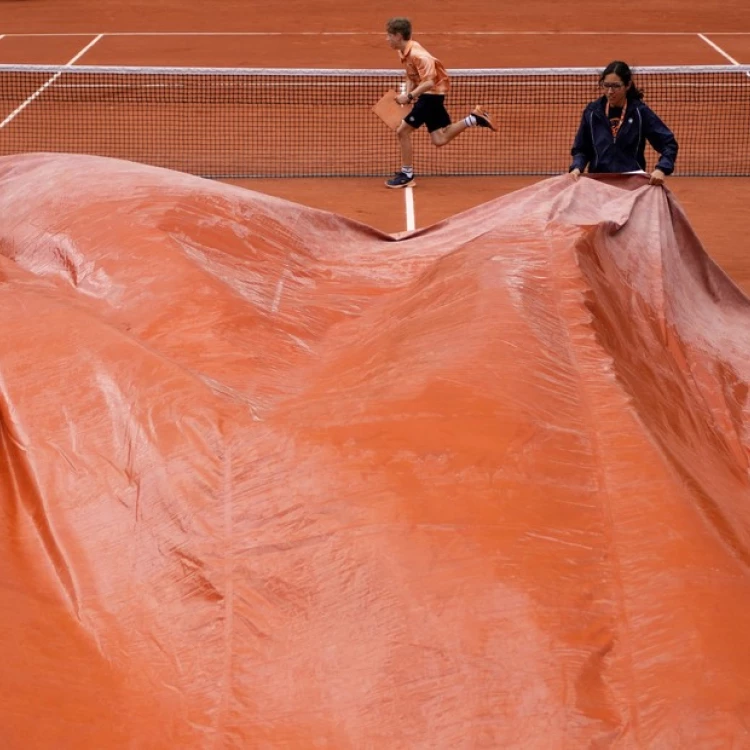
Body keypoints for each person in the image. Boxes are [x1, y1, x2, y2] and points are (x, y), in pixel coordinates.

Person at [384, 17, 497, 189]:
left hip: (431, 95)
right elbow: (410, 75)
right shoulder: (403, 52)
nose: (387, 39)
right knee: (439, 138)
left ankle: (407, 174)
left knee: (402, 132)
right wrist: (407, 93)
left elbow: (429, 82)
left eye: (389, 35)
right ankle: (474, 119)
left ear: (398, 36)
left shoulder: (419, 55)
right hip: (430, 95)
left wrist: (409, 97)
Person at [569, 61, 678, 186]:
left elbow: (668, 143)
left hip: (632, 184)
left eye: (616, 86)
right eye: (606, 85)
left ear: (628, 85)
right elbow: (581, 149)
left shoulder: (639, 112)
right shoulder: (593, 112)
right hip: (599, 184)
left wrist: (661, 169)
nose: (610, 91)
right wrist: (577, 167)